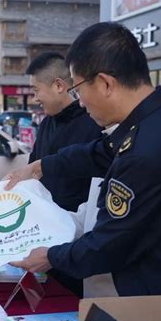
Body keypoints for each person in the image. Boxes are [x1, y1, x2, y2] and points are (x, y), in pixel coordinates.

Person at [6, 22, 161, 311]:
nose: (81, 103)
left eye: (77, 89)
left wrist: (51, 256)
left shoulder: (146, 152)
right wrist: (39, 167)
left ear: (105, 83)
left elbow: (110, 244)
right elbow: (101, 152)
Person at [27, 52, 102, 212]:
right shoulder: (46, 122)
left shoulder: (96, 121)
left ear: (59, 86)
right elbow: (33, 167)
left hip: (81, 227)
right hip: (44, 223)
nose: (35, 98)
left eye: (36, 90)